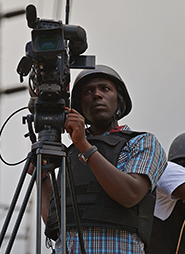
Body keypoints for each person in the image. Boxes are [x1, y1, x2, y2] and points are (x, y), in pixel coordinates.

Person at [31, 65, 167, 254]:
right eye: (88, 91)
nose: (96, 95)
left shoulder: (142, 142)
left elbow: (130, 194)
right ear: (78, 107)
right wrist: (43, 176)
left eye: (105, 88)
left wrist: (84, 146)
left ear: (119, 100)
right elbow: (55, 220)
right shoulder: (70, 153)